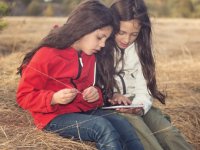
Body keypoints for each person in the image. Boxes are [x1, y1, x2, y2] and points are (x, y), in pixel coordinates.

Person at [16, 0, 144, 150]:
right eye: (99, 37)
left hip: (82, 110)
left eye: (106, 39)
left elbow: (96, 88)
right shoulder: (47, 54)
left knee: (122, 124)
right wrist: (53, 98)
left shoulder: (90, 55)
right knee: (101, 127)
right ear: (83, 29)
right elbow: (23, 96)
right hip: (52, 117)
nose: (103, 44)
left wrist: (95, 93)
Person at [100, 0, 194, 149]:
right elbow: (95, 83)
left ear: (141, 31)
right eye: (121, 32)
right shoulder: (100, 46)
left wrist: (140, 107)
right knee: (147, 140)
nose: (126, 39)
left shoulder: (141, 49)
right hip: (113, 106)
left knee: (169, 134)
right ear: (111, 26)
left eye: (134, 34)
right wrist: (112, 94)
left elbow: (144, 88)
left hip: (138, 102)